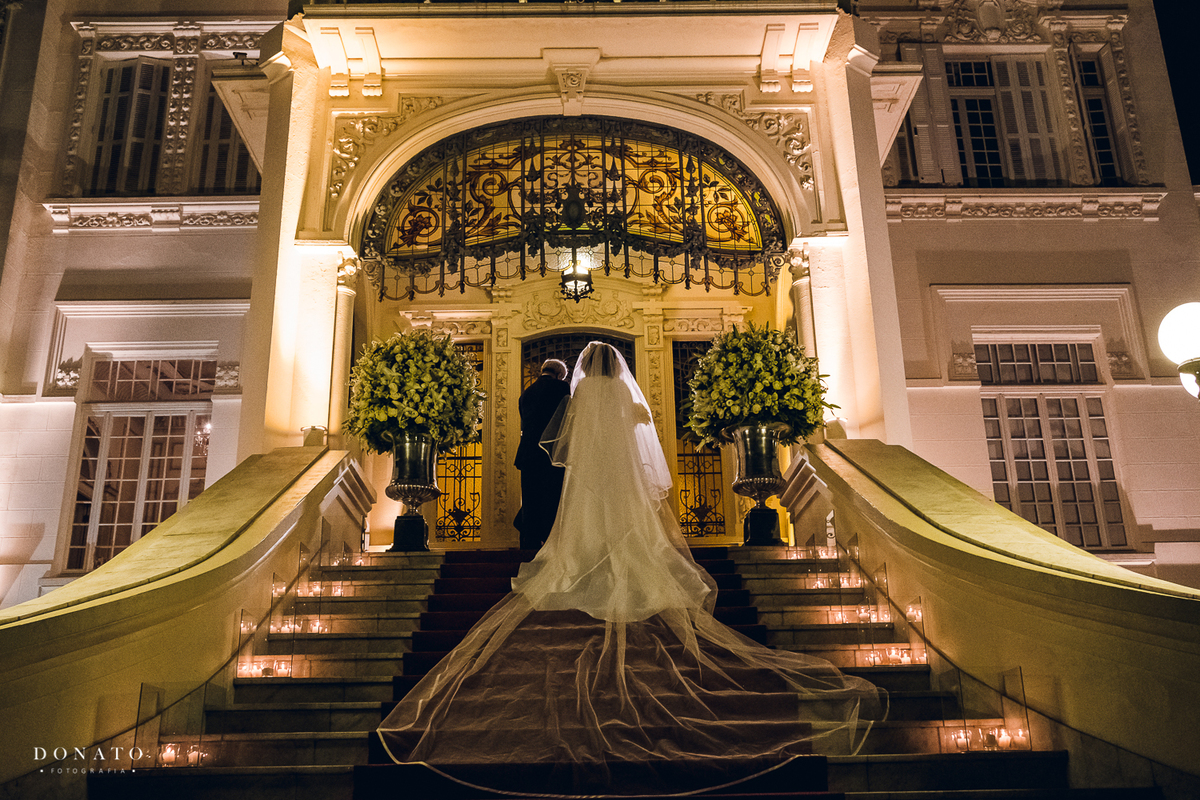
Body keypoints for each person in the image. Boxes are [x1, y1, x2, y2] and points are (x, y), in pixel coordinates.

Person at [378, 342, 885, 796]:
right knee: (627, 525)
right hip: (623, 482)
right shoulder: (625, 395)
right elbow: (641, 430)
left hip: (586, 484)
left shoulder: (577, 400)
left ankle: (582, 560)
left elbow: (567, 446)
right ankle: (623, 559)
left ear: (582, 369)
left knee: (580, 524)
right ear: (618, 366)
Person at [513, 358, 570, 550]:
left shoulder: (526, 394)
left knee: (530, 496)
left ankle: (528, 541)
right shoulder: (562, 389)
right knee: (550, 496)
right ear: (560, 374)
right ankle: (548, 540)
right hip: (551, 452)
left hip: (527, 454)